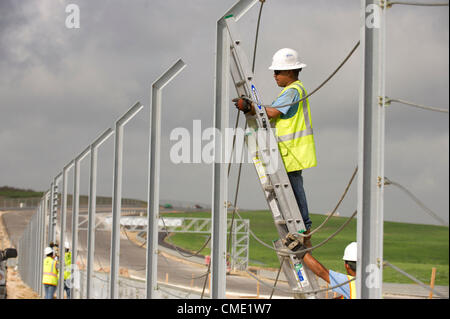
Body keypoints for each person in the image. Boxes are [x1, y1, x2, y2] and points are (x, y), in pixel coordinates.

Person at [234, 48, 317, 247]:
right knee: (293, 192)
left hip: (292, 152)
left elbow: (271, 112)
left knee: (295, 192)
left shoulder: (293, 91)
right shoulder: (291, 91)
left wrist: (249, 107)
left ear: (290, 72)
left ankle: (303, 231)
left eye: (278, 72)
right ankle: (300, 230)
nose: (274, 76)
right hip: (288, 152)